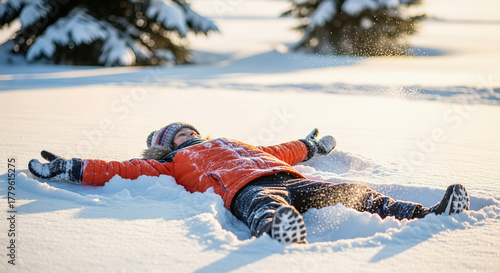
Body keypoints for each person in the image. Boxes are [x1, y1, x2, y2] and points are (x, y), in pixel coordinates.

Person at [28, 122, 470, 244]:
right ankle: (275, 228)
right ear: (166, 147)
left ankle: (424, 214)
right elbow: (122, 169)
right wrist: (72, 166)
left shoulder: (231, 141)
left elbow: (278, 150)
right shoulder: (172, 164)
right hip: (245, 190)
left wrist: (309, 145)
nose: (187, 135)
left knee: (356, 195)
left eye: (186, 130)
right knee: (265, 204)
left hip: (288, 176)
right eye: (177, 135)